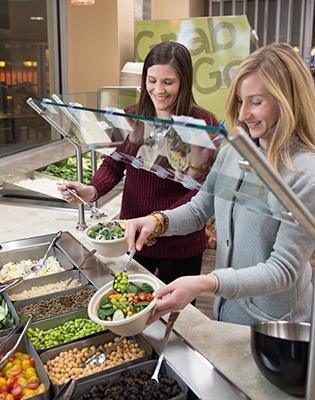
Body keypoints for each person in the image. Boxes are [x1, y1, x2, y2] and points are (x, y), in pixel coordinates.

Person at [125, 42, 315, 326]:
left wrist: (206, 283)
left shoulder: (307, 172)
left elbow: (283, 270)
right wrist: (157, 222)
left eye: (256, 102)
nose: (243, 114)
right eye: (240, 101)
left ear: (287, 101)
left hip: (275, 325)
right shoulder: (234, 150)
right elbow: (201, 208)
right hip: (225, 311)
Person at [58, 41, 219, 284]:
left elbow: (202, 190)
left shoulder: (202, 122)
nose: (158, 90)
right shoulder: (132, 115)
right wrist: (91, 191)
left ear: (184, 82)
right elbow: (114, 163)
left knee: (177, 317)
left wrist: (160, 221)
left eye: (168, 82)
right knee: (129, 305)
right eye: (152, 80)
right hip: (131, 235)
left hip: (180, 239)